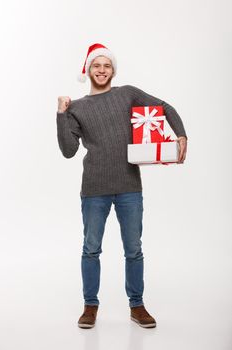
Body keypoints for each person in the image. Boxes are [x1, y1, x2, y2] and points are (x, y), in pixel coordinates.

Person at [56, 43, 188, 329]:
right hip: (94, 188)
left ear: (113, 70)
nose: (101, 70)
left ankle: (137, 305)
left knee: (134, 249)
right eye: (96, 65)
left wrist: (180, 136)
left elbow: (165, 107)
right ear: (88, 70)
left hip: (129, 185)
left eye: (106, 65)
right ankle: (90, 306)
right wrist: (61, 114)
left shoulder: (127, 94)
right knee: (91, 248)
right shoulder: (77, 108)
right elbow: (68, 151)